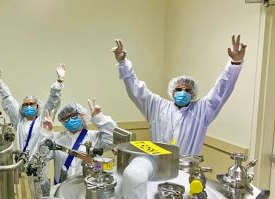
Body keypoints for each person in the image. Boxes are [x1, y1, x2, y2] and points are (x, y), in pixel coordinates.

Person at [112, 35, 246, 155]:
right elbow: (136, 90)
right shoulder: (157, 107)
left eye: (187, 90)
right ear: (172, 92)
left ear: (193, 94)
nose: (182, 92)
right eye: (178, 89)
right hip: (159, 166)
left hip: (187, 170)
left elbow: (221, 91)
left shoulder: (201, 110)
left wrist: (234, 64)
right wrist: (123, 64)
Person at [0, 64, 66, 159]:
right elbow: (8, 100)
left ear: (37, 106)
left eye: (31, 104)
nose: (28, 106)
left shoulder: (42, 121)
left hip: (39, 165)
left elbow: (52, 100)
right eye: (25, 105)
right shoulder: (19, 121)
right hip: (20, 163)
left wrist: (59, 81)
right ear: (22, 108)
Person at [41, 99, 116, 184]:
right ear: (62, 122)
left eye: (74, 115)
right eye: (65, 118)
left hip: (87, 186)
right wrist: (47, 133)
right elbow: (43, 156)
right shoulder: (56, 138)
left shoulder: (94, 137)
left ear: (82, 115)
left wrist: (99, 118)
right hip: (61, 188)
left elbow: (111, 140)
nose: (70, 120)